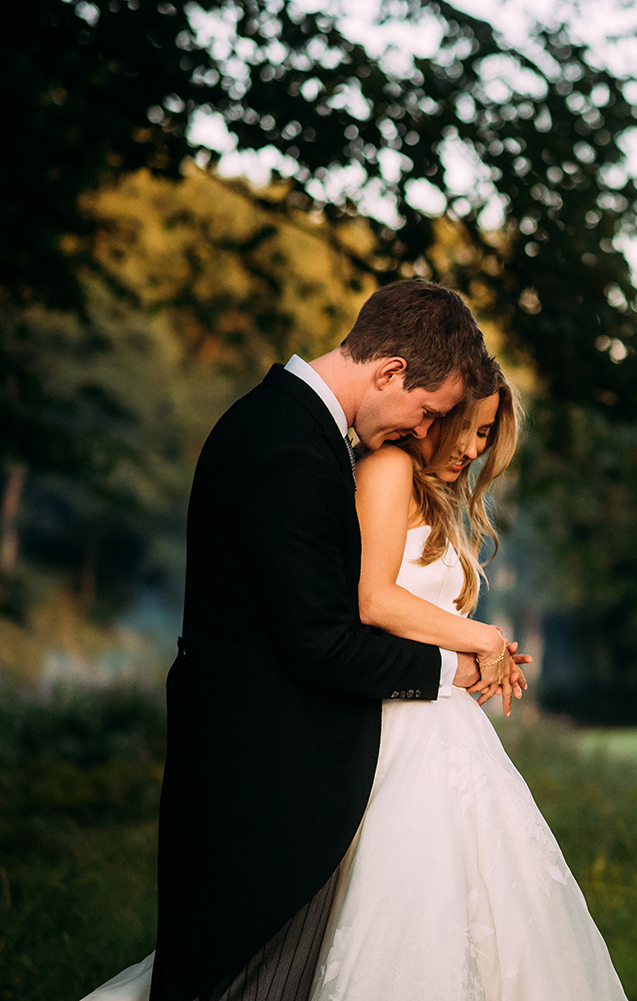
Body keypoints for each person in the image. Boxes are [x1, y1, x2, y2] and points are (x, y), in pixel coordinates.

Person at [82, 280, 505, 1001]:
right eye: (426, 411)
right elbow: (321, 643)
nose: (420, 429)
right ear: (391, 372)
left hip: (267, 766)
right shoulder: (289, 447)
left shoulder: (289, 426)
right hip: (266, 778)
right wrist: (452, 669)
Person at [308, 358, 627, 1000]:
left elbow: (422, 613)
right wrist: (481, 639)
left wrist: (480, 657)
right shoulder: (388, 466)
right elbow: (374, 600)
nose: (476, 449)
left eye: (487, 436)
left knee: (494, 908)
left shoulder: (432, 491)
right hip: (397, 726)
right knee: (413, 899)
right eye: (472, 429)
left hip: (448, 724)